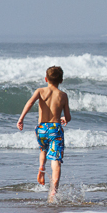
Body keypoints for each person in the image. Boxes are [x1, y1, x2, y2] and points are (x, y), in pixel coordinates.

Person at [17, 66, 71, 202]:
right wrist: (64, 119)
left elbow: (29, 103)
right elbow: (68, 117)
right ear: (61, 80)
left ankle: (41, 167)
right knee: (56, 160)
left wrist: (21, 118)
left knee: (43, 149)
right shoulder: (63, 95)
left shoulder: (40, 91)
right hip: (55, 129)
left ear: (46, 79)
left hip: (41, 128)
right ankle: (53, 191)